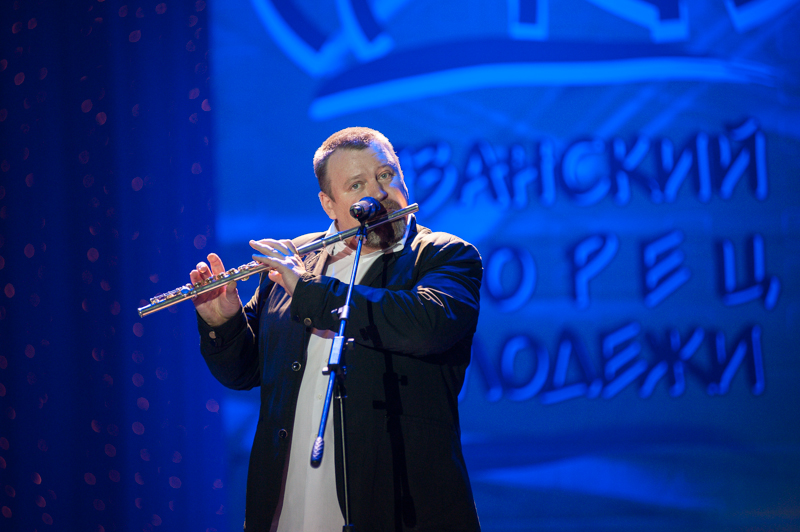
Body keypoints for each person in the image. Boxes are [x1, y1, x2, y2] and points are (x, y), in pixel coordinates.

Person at [191, 127, 482, 531]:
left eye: (386, 175)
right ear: (329, 203)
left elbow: (427, 325)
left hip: (397, 508)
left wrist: (307, 289)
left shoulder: (442, 255)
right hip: (287, 509)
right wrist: (223, 321)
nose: (378, 193)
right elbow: (245, 372)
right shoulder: (296, 262)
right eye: (356, 185)